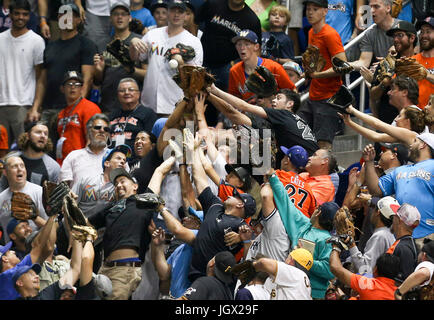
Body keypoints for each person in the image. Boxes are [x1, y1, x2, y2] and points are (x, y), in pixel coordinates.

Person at [187, 128, 256, 282]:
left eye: (232, 175)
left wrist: (242, 238)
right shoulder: (218, 205)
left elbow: (207, 169)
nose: (227, 176)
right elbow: (200, 181)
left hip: (223, 273)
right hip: (200, 271)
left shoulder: (231, 192)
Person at [267, 168, 339, 299]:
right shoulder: (304, 224)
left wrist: (306, 260)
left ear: (318, 212)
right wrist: (272, 177)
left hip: (314, 294)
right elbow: (286, 202)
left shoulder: (328, 239)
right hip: (292, 287)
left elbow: (330, 270)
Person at [88, 168, 153, 300]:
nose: (118, 185)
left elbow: (159, 173)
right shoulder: (112, 207)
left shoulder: (143, 202)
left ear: (135, 186)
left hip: (124, 270)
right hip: (104, 268)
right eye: (116, 184)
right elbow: (86, 223)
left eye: (122, 181)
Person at [129, 0, 203, 117]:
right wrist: (133, 43)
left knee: (172, 135)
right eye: (173, 10)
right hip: (149, 102)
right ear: (167, 12)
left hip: (175, 103)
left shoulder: (193, 41)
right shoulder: (152, 34)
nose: (176, 14)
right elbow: (135, 57)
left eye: (180, 11)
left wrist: (181, 63)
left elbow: (196, 78)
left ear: (185, 15)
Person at [29, 3, 97, 127]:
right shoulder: (50, 47)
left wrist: (77, 108)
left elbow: (87, 80)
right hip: (48, 108)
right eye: (63, 15)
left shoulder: (87, 45)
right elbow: (42, 81)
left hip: (71, 109)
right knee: (46, 144)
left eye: (72, 16)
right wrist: (35, 107)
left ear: (78, 20)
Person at [363, 133, 434, 248]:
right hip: (401, 238)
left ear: (423, 145)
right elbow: (376, 189)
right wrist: (369, 162)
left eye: (415, 141)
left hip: (428, 236)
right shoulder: (399, 170)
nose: (411, 145)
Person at [297, 0, 349, 151]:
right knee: (298, 132)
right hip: (314, 95)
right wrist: (307, 73)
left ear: (325, 11)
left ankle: (327, 173)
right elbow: (312, 61)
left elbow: (343, 66)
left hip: (330, 97)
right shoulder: (311, 32)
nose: (310, 12)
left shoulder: (330, 34)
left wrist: (316, 75)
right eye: (308, 9)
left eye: (315, 9)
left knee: (323, 145)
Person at [208, 85, 319, 156]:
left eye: (279, 98)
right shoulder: (288, 123)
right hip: (314, 162)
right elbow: (235, 115)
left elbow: (243, 106)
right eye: (274, 98)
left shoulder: (284, 114)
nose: (274, 101)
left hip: (311, 164)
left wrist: (214, 90)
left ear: (290, 104)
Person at [0, 0, 45, 147]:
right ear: (10, 15)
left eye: (25, 14)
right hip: (1, 104)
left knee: (24, 150)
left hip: (24, 105)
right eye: (17, 13)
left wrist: (35, 107)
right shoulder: (0, 39)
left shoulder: (36, 41)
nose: (20, 17)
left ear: (29, 16)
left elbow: (41, 78)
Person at [93, 2, 148, 114]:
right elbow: (97, 81)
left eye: (123, 14)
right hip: (108, 105)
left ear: (130, 18)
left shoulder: (140, 41)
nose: (119, 17)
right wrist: (98, 71)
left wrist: (132, 70)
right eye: (116, 14)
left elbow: (148, 74)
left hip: (134, 106)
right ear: (110, 18)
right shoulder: (102, 44)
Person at [196, 0, 261, 92]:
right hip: (202, 61)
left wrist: (250, 72)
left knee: (226, 101)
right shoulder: (212, 4)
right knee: (196, 95)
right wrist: (193, 46)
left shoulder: (252, 20)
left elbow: (256, 50)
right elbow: (194, 21)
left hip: (228, 66)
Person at [369, 21, 418, 123]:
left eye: (400, 35)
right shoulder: (386, 63)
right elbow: (373, 96)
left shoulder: (420, 62)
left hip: (416, 121)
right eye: (394, 36)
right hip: (389, 121)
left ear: (412, 38)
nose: (395, 39)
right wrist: (384, 83)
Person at [0, 214, 58, 300]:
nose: (13, 251)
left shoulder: (13, 273)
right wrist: (52, 216)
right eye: (8, 251)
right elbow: (38, 246)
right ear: (5, 259)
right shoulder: (9, 275)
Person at [228, 29, 295, 103]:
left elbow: (292, 92)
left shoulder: (274, 67)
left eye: (247, 44)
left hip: (273, 111)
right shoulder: (234, 70)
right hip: (248, 111)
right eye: (239, 44)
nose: (242, 48)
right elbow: (234, 96)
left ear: (256, 47)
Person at [56, 71, 102, 165]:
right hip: (63, 164)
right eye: (69, 84)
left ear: (82, 88)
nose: (73, 87)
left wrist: (86, 164)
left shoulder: (90, 108)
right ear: (62, 89)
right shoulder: (61, 113)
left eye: (77, 84)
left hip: (81, 163)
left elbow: (92, 140)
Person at [0, 154, 48, 243]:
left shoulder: (39, 192)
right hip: (11, 252)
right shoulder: (1, 198)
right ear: (5, 172)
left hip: (37, 249)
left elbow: (51, 227)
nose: (20, 169)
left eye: (22, 166)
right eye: (14, 166)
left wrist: (34, 217)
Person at [0, 121, 60, 192]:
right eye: (38, 132)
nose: (43, 136)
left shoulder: (53, 167)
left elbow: (54, 199)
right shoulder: (11, 159)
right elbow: (2, 188)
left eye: (46, 134)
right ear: (27, 136)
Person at [59, 113, 111, 189]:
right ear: (88, 132)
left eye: (106, 129)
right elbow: (63, 187)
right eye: (97, 127)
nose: (102, 131)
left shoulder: (116, 156)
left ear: (108, 134)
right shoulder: (73, 156)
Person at [347, 196, 396, 275]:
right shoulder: (388, 233)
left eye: (373, 209)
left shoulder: (380, 236)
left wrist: (351, 244)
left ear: (378, 212)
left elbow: (364, 269)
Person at [330, 249, 401, 300]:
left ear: (375, 270)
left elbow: (335, 267)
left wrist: (336, 248)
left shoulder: (367, 284)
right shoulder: (400, 293)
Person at [109, 78, 157, 152]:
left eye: (131, 90)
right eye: (122, 90)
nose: (126, 92)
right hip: (111, 156)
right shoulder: (112, 115)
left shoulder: (148, 114)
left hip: (135, 158)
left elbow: (150, 142)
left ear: (138, 94)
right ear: (118, 95)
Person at [247, 248, 314, 300]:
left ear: (291, 260)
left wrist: (253, 265)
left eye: (288, 257)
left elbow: (263, 262)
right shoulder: (303, 279)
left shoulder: (294, 273)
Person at [275, 145, 317, 218]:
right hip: (300, 226)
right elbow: (313, 213)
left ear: (287, 161)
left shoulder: (279, 175)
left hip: (281, 222)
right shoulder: (308, 187)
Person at [386, 203, 420, 282]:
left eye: (394, 216)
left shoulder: (401, 247)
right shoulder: (412, 245)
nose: (392, 219)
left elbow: (402, 281)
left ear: (399, 220)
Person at [413, 17, 434, 110]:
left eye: (428, 31)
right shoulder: (412, 61)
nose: (424, 35)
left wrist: (427, 75)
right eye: (421, 32)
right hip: (415, 117)